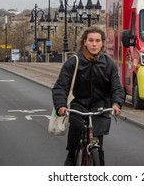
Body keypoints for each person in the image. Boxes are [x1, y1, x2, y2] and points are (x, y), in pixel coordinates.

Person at [52, 26, 125, 166]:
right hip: (79, 105)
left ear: (102, 43)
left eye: (98, 40)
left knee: (98, 144)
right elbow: (60, 86)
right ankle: (71, 158)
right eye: (91, 40)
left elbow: (117, 87)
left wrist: (116, 103)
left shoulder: (109, 64)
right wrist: (60, 105)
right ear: (84, 42)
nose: (94, 44)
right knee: (76, 130)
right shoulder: (74, 62)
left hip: (100, 107)